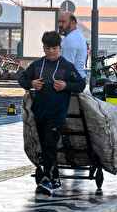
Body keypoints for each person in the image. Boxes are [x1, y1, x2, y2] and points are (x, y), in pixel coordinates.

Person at [18, 30, 86, 196]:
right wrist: (32, 82)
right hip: (39, 114)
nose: (51, 51)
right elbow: (22, 79)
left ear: (60, 48)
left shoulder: (67, 67)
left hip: (57, 115)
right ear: (43, 48)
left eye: (54, 48)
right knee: (44, 147)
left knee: (49, 145)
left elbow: (81, 85)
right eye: (48, 48)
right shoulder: (37, 65)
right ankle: (54, 179)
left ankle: (50, 179)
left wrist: (66, 86)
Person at [57, 11, 87, 79]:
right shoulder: (77, 35)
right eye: (58, 22)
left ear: (73, 23)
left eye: (63, 22)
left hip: (72, 79)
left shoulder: (71, 39)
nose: (60, 25)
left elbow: (67, 65)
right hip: (77, 77)